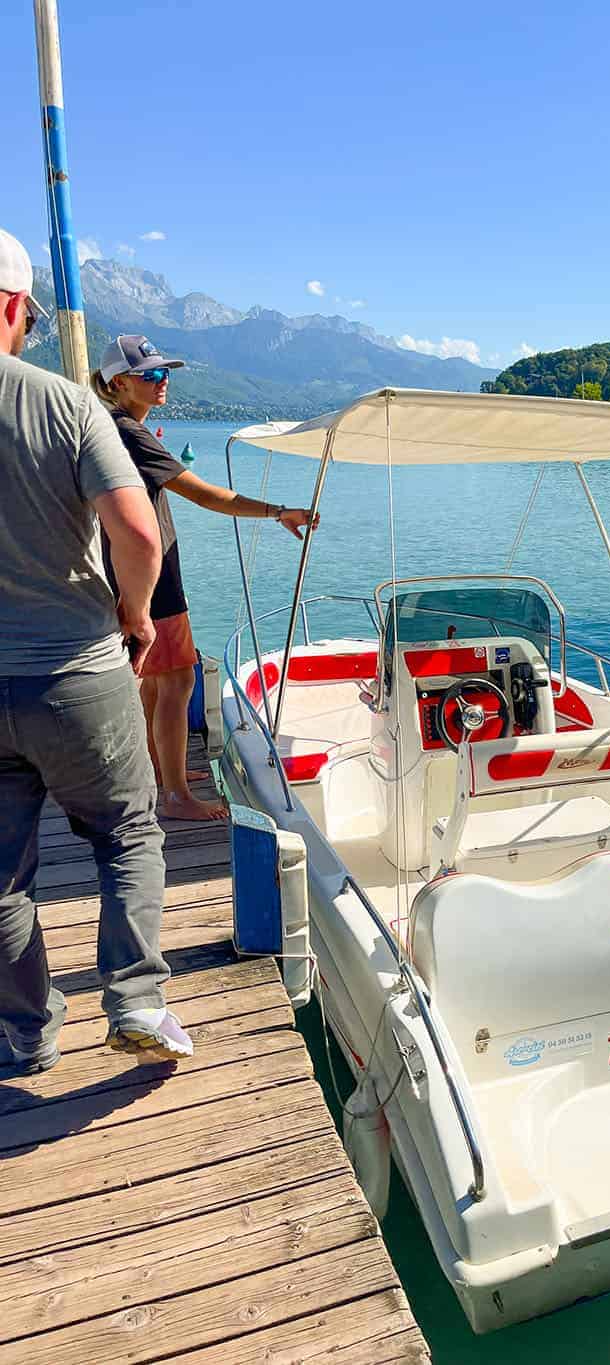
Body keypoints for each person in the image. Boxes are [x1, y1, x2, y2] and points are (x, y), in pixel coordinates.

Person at [0, 227, 192, 1070]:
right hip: (76, 667)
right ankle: (138, 1002)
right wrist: (138, 613)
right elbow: (139, 534)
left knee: (3, 877)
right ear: (12, 305)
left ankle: (25, 1031)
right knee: (127, 834)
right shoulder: (67, 405)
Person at [91, 337, 319, 821]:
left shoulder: (110, 428)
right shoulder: (128, 433)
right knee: (176, 681)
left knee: (154, 683)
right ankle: (175, 796)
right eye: (150, 374)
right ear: (119, 382)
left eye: (164, 372)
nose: (162, 380)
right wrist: (279, 511)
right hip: (152, 579)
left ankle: (160, 772)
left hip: (126, 573)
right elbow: (208, 496)